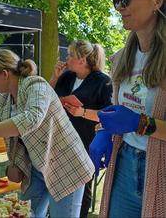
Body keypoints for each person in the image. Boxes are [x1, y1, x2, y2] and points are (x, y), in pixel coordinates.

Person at [0, 48, 94, 218]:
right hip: (36, 168)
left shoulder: (35, 85)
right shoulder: (5, 97)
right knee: (23, 214)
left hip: (65, 167)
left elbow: (31, 118)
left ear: (5, 74)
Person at [89, 0, 166, 217]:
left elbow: (133, 119)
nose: (118, 7)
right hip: (124, 164)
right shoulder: (122, 59)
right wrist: (104, 131)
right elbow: (116, 110)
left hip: (160, 169)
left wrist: (140, 122)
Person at [49, 40, 112, 218]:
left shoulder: (103, 81)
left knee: (82, 188)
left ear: (82, 60)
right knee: (58, 184)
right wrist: (54, 76)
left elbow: (108, 114)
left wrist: (82, 112)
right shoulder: (67, 76)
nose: (66, 58)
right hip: (61, 140)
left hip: (86, 142)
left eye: (69, 55)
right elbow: (47, 97)